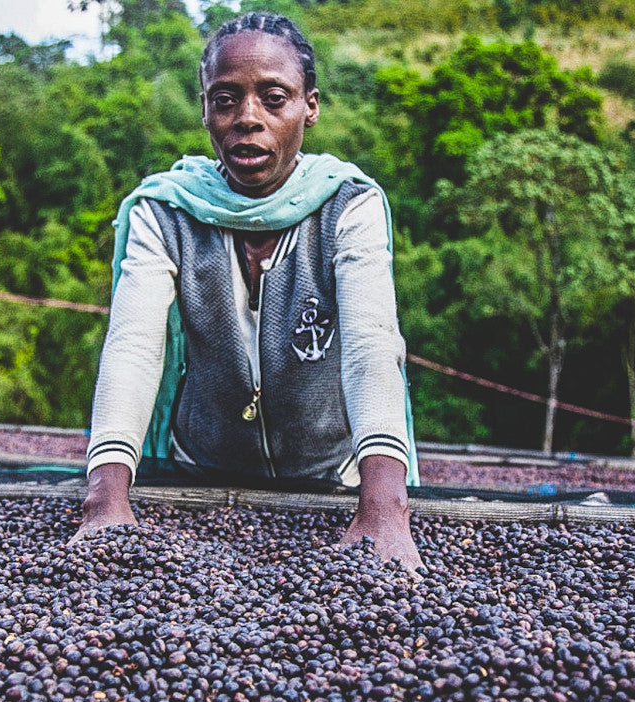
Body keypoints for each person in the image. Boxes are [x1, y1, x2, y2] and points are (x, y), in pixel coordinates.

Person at [73, 12, 423, 572]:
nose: (247, 119)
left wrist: (383, 509)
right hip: (199, 475)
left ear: (310, 106)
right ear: (206, 109)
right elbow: (134, 348)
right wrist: (106, 500)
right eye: (226, 99)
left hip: (329, 482)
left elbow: (370, 347)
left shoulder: (347, 205)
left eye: (274, 98)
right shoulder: (165, 210)